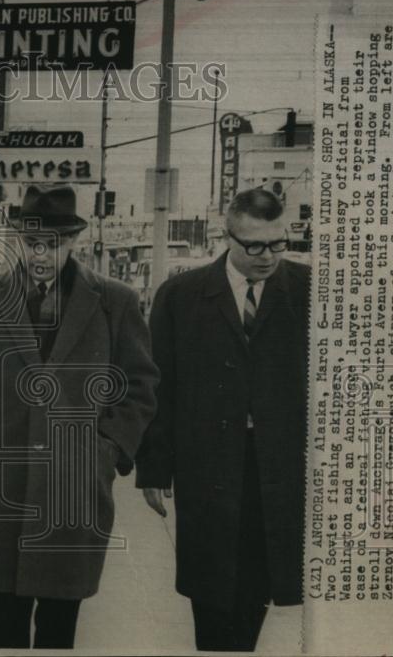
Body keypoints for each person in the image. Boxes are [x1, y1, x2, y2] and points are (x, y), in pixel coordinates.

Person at [0, 184, 158, 649]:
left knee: (60, 621)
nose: (42, 254)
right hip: (6, 478)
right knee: (5, 617)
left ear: (73, 242)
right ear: (17, 240)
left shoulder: (115, 300)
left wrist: (107, 450)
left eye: (55, 243)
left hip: (76, 483)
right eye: (32, 243)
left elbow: (140, 383)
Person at [136, 187, 310, 651]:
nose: (267, 257)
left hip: (280, 468)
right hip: (208, 468)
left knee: (260, 581)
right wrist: (154, 468)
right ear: (226, 236)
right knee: (212, 589)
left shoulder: (310, 293)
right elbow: (160, 386)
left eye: (277, 243)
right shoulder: (180, 296)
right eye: (254, 245)